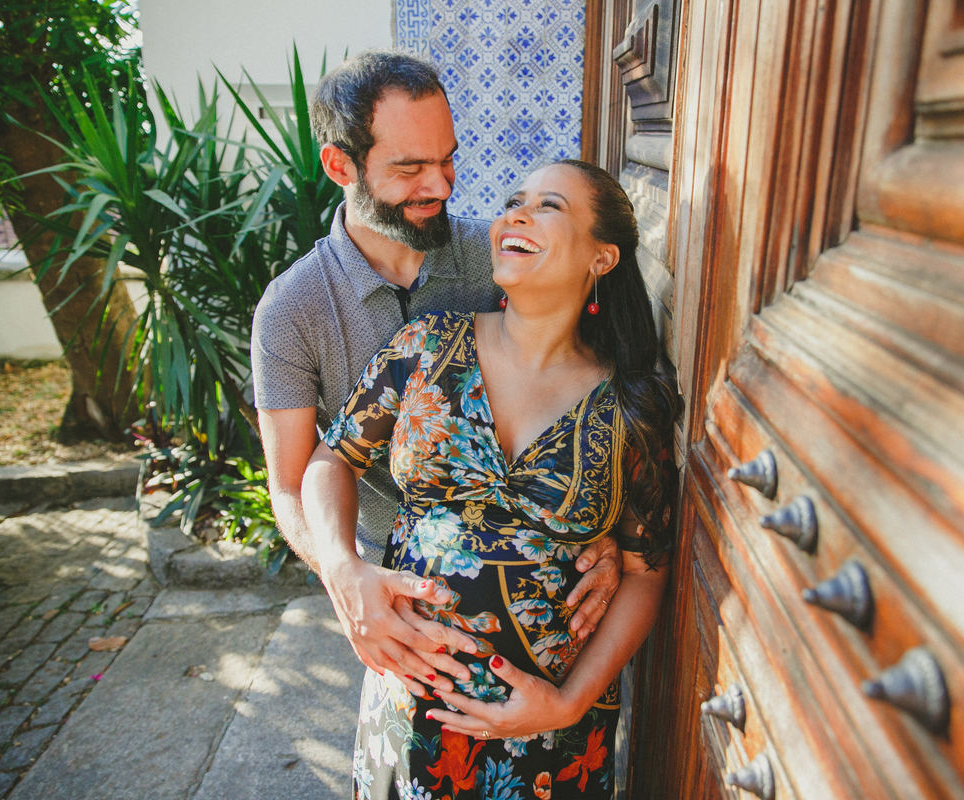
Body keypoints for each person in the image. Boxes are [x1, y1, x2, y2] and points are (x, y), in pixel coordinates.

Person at [304, 159, 682, 799]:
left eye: (549, 205)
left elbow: (647, 574)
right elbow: (329, 460)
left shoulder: (631, 406)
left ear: (603, 258)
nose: (517, 213)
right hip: (410, 713)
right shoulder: (427, 347)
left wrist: (566, 705)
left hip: (550, 736)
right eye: (514, 199)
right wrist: (344, 566)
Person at [249, 52, 620, 698]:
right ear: (341, 167)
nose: (442, 186)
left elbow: (590, 403)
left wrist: (607, 531)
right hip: (397, 603)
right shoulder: (289, 311)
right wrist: (344, 574)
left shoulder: (502, 255)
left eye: (447, 158)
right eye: (410, 168)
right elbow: (290, 482)